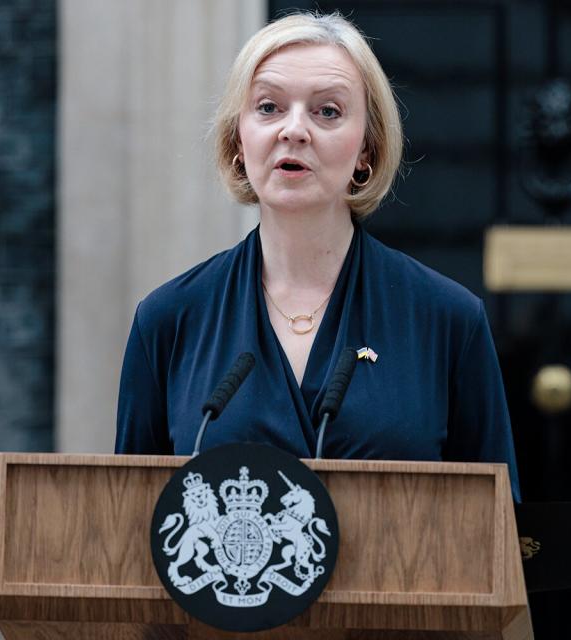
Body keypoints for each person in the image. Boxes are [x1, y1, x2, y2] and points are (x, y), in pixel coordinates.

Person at [115, 12, 520, 500]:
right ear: (238, 140)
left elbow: (497, 531)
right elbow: (131, 525)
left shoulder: (448, 320)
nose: (294, 130)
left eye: (327, 111)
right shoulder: (168, 320)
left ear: (366, 150)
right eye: (268, 107)